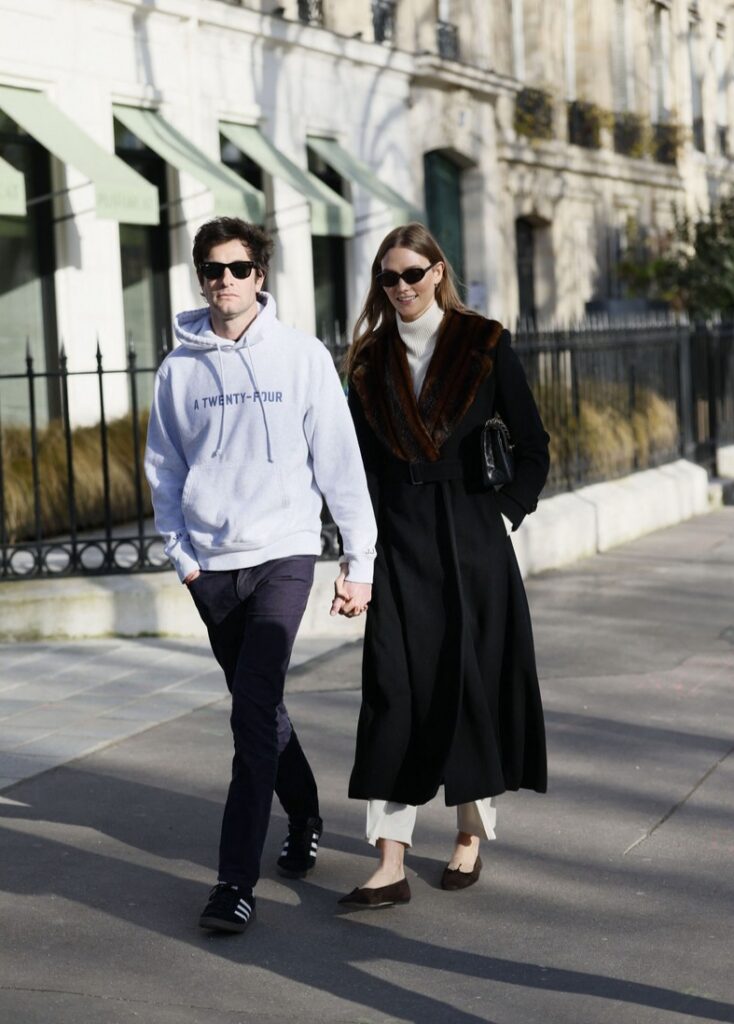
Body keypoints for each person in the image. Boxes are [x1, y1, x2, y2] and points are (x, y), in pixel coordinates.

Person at [145, 217, 375, 933]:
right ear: (201, 278)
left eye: (238, 268)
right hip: (213, 569)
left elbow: (339, 461)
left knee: (249, 714)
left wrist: (360, 560)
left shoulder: (301, 357)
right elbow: (164, 470)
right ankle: (304, 814)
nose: (226, 280)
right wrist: (184, 559)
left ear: (260, 275)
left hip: (284, 554)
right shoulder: (179, 369)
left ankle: (233, 885)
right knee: (263, 707)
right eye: (213, 269)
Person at [338, 223, 550, 908]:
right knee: (392, 693)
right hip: (398, 543)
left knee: (471, 686)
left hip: (471, 540)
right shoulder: (368, 360)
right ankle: (389, 861)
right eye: (387, 277)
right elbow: (358, 471)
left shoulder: (482, 343)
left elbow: (534, 443)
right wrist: (357, 556)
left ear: (436, 272)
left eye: (410, 273)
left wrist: (504, 514)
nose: (399, 287)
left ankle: (469, 834)